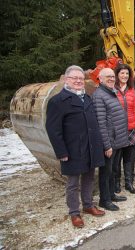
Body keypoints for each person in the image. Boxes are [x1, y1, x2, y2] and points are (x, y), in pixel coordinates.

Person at [46, 65, 105, 228]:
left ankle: (88, 205)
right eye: (74, 78)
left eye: (81, 78)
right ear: (66, 79)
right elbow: (53, 130)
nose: (79, 81)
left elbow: (94, 123)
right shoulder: (57, 101)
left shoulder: (86, 98)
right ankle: (74, 212)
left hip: (90, 146)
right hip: (72, 149)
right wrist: (61, 151)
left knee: (89, 177)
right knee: (73, 183)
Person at [92, 68, 129, 211]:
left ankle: (111, 194)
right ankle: (104, 200)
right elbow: (101, 123)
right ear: (100, 79)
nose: (112, 79)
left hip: (117, 140)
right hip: (109, 142)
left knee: (113, 170)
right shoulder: (99, 95)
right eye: (108, 77)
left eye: (113, 76)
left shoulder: (110, 92)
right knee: (105, 172)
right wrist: (106, 146)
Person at [114, 64, 135, 194]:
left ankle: (129, 183)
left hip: (131, 128)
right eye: (122, 73)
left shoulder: (131, 90)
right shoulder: (112, 89)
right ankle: (116, 183)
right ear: (117, 75)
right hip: (118, 129)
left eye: (126, 73)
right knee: (117, 158)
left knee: (130, 158)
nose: (124, 76)